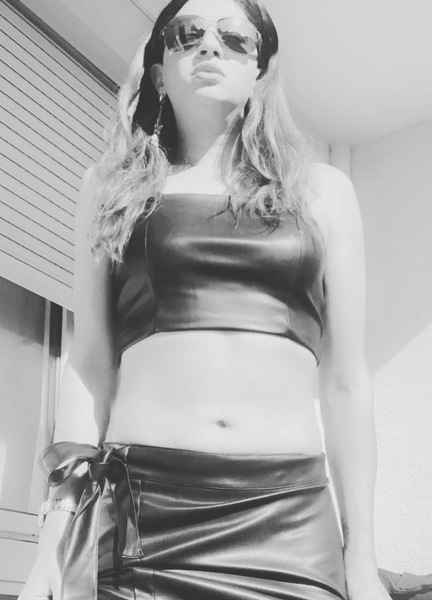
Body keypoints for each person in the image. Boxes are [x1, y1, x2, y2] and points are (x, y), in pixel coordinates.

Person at [19, 0, 392, 599]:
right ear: (158, 71)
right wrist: (55, 542)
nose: (210, 46)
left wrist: (363, 559)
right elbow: (89, 364)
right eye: (187, 34)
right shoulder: (112, 189)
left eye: (236, 37)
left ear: (260, 71)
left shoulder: (322, 193)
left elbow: (346, 382)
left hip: (288, 519)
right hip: (144, 516)